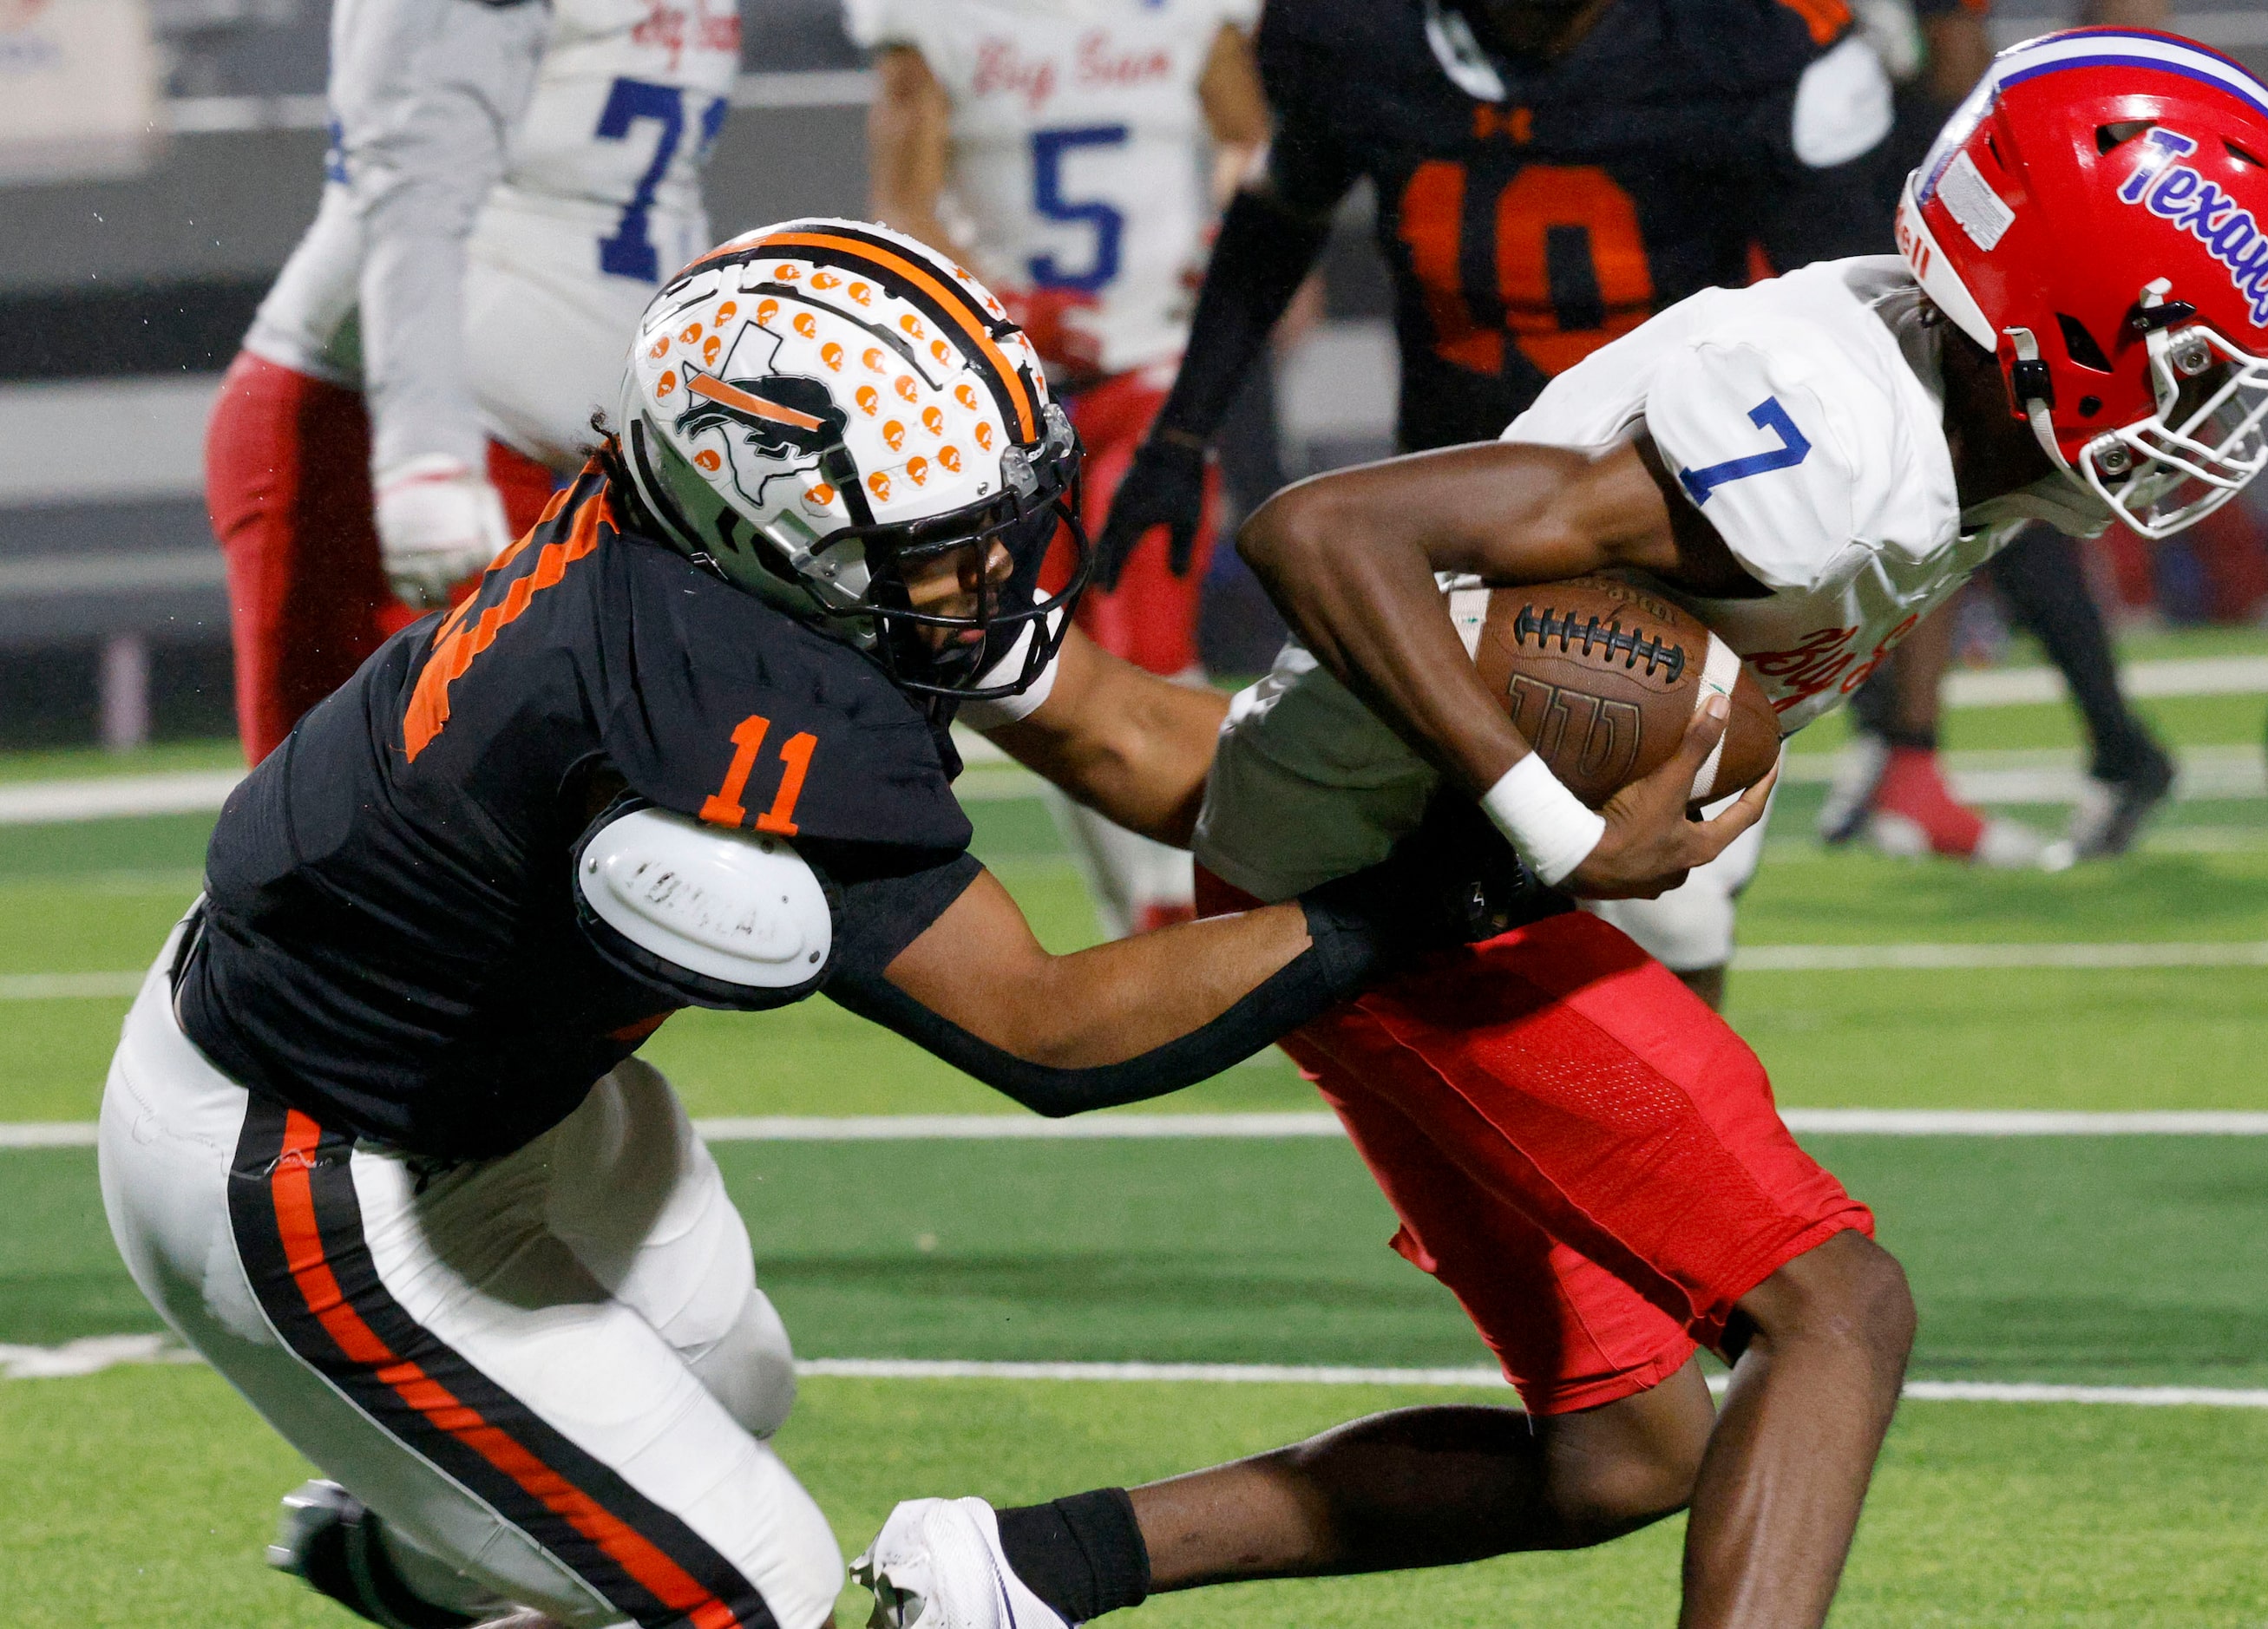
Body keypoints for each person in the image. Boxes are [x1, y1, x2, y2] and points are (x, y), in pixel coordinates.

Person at [855, 30, 2268, 1629]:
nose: (2214, 410)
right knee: (1838, 1306)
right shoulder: (1837, 441)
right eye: (2196, 360)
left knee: (1621, 1455)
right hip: (1422, 883)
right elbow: (1325, 529)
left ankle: (1015, 1570)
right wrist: (1550, 819)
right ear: (2064, 318)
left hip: (1407, 837)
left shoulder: (1942, 417)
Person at [100, 223, 1616, 1629]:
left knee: (732, 1383)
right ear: (773, 511)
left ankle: (419, 1550)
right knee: (750, 1584)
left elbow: (1120, 735)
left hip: (500, 1085)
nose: (998, 572)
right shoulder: (715, 679)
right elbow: (1048, 1029)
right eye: (955, 538)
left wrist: (1443, 777)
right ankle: (453, 1528)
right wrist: (1434, 898)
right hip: (306, 1161)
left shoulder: (745, 536)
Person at [1089, 0, 1900, 1002]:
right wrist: (1181, 433)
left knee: (1664, 898)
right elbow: (1278, 214)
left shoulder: (1748, 41)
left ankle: (1666, 1122)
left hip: (1666, 529)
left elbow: (1854, 310)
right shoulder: (1352, 35)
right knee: (1347, 829)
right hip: (1440, 528)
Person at [204, 0, 741, 764]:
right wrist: (425, 460)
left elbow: (648, 201)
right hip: (379, 437)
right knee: (350, 860)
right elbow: (412, 189)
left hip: (578, 466)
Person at [848, 0, 1271, 935]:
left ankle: (1181, 901)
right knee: (1026, 662)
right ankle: (1144, 909)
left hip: (1152, 371)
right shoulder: (931, 22)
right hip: (1004, 387)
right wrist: (1009, 309)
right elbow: (902, 209)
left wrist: (1233, 245)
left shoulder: (1188, 16)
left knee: (1148, 640)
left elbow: (1253, 144)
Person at [1823, 0, 2182, 869]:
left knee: (1974, 480)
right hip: (1850, 189)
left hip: (1907, 198)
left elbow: (1957, 64)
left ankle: (1908, 747)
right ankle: (1906, 743)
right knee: (1945, 491)